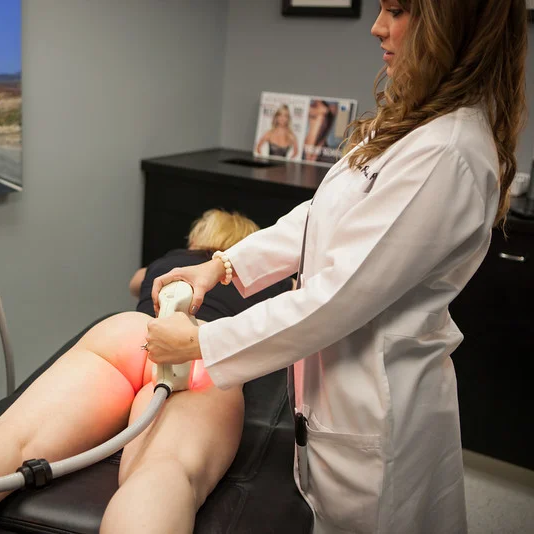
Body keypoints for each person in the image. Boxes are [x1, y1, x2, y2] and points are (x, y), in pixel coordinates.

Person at [146, 1, 527, 533]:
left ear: (451, 22)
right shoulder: (415, 123)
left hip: (380, 425)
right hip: (335, 403)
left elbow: (336, 299)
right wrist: (223, 264)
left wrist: (200, 343)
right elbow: (321, 216)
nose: (376, 27)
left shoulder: (446, 152)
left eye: (396, 10)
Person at [0, 209, 288, 534]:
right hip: (201, 351)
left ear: (198, 239)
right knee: (166, 468)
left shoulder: (173, 262)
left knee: (11, 437)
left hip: (133, 332)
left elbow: (136, 283)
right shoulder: (266, 278)